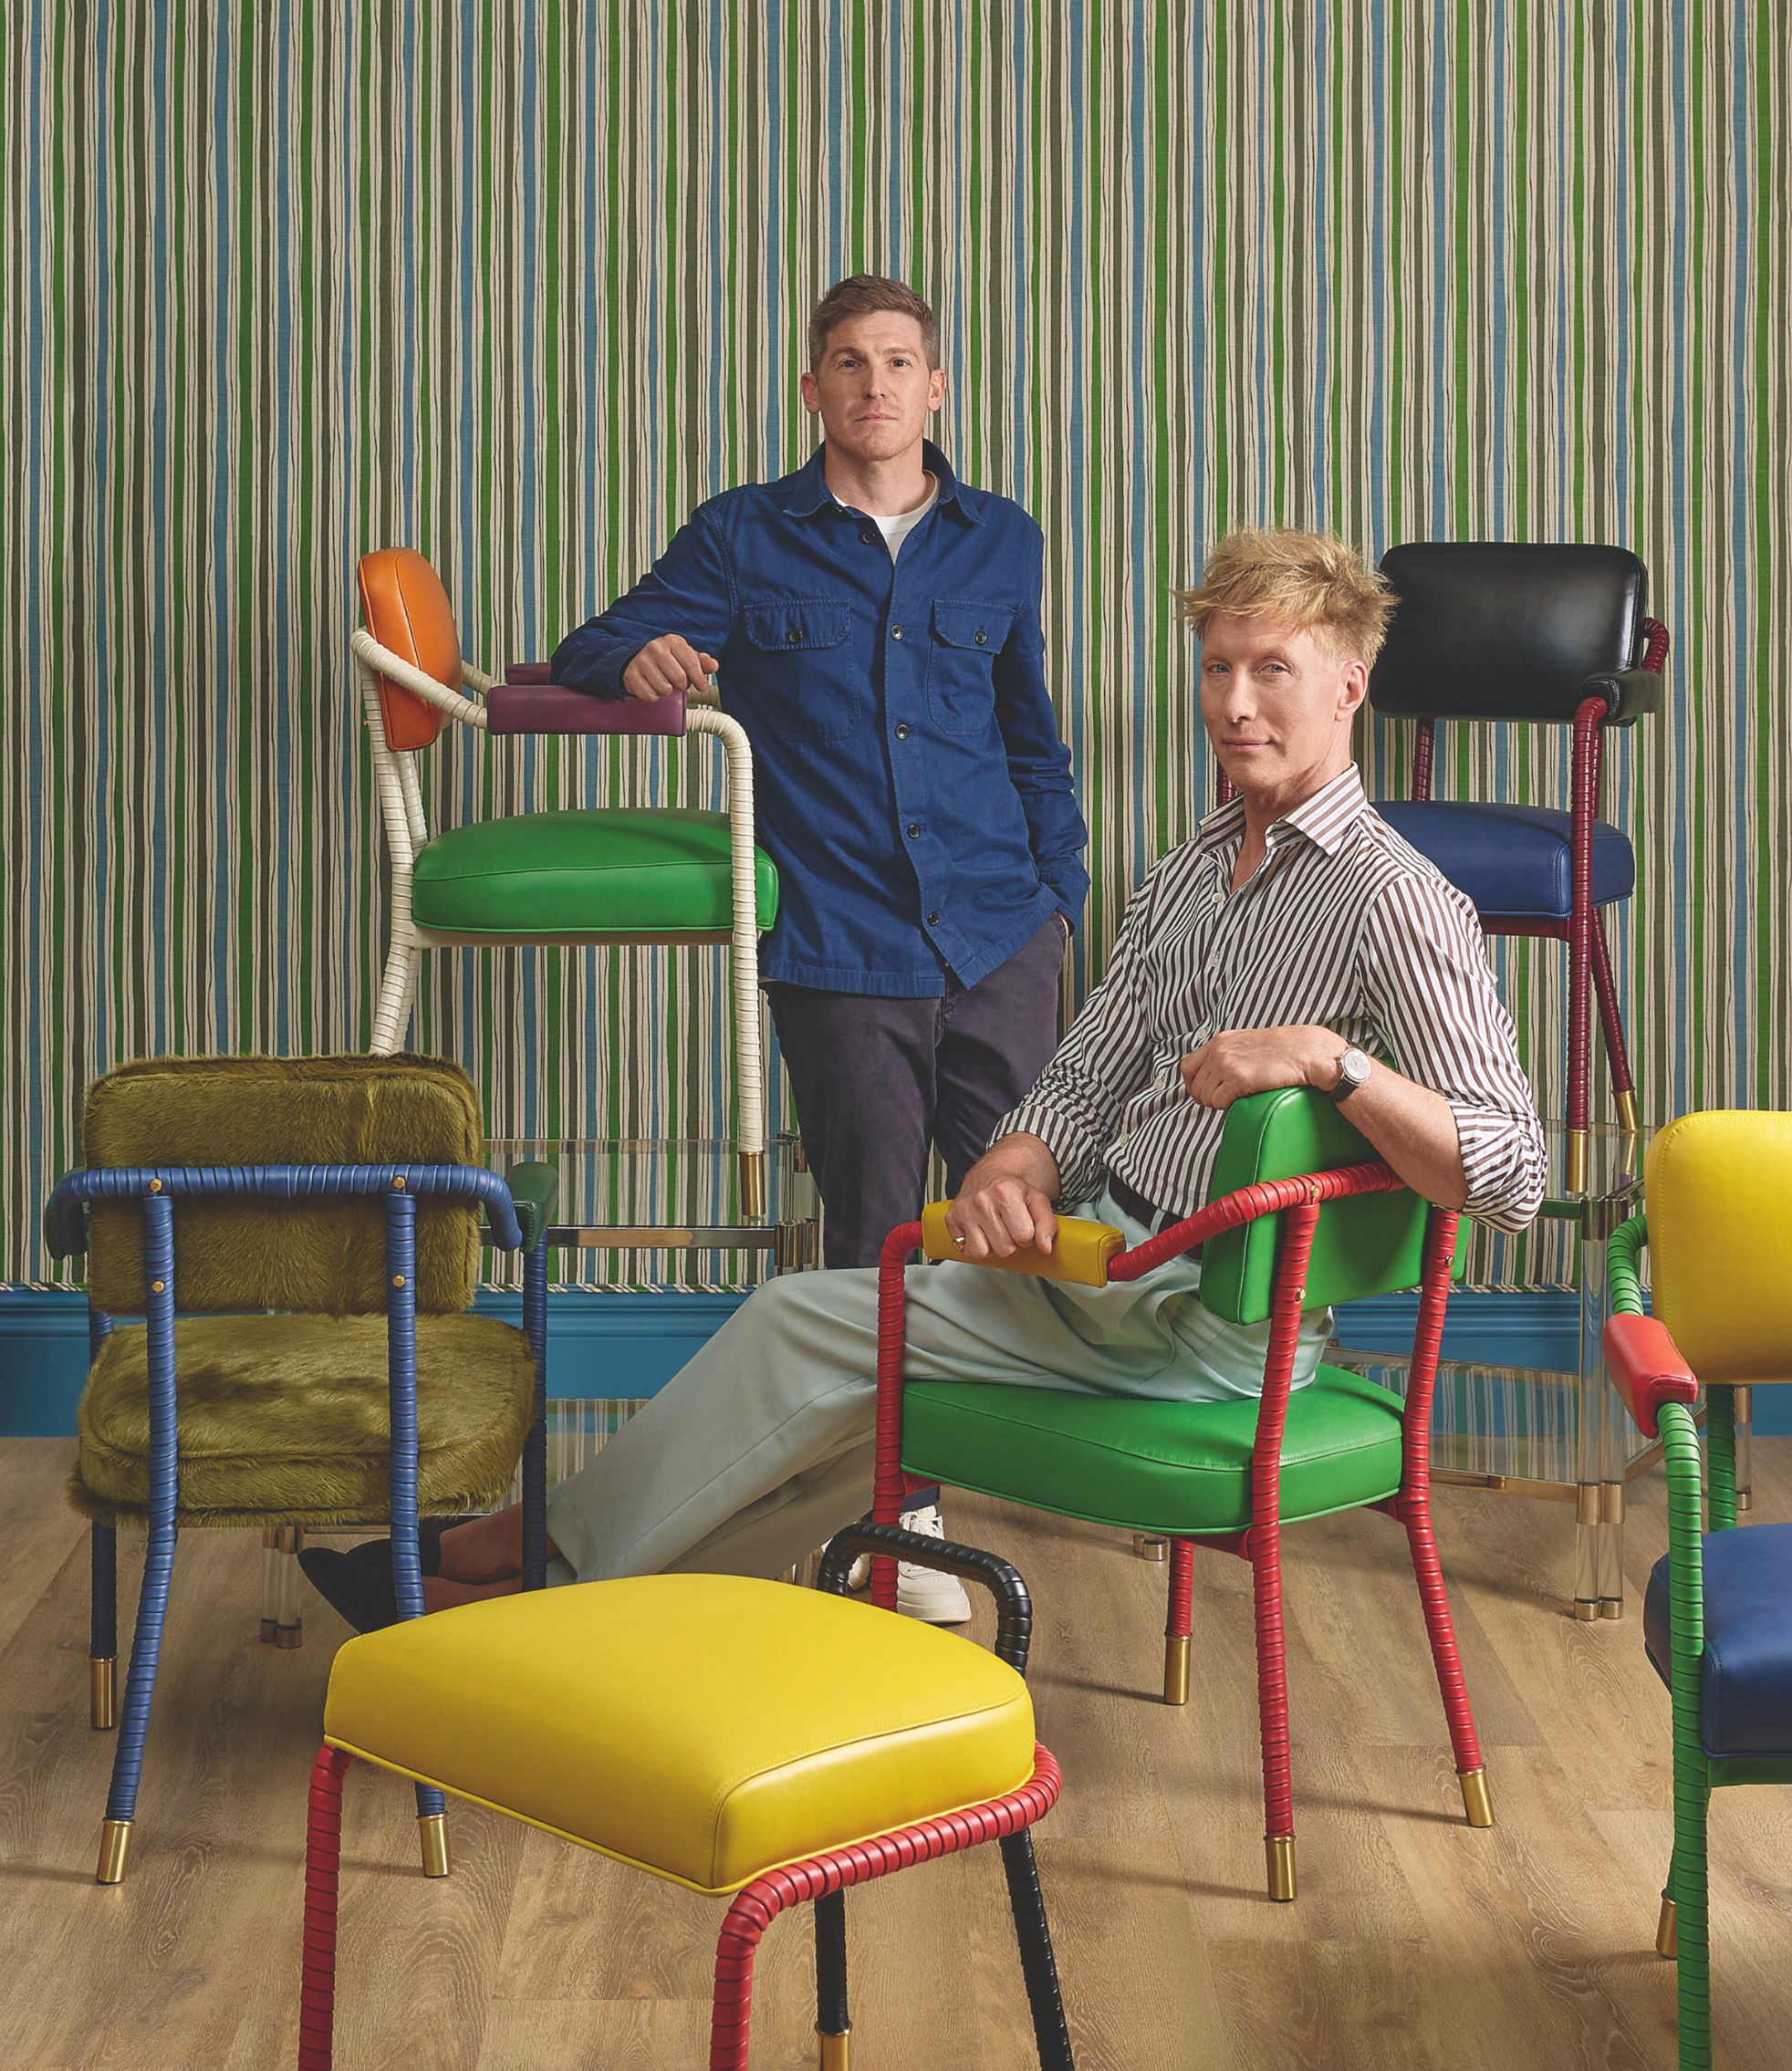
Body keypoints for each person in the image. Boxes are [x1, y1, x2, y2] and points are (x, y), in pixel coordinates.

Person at [303, 528, 1547, 1633]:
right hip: (1100, 1263)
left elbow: (1513, 1174)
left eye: (1271, 669)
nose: (1234, 702)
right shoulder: (1190, 866)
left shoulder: (1398, 899)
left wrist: (1332, 1060)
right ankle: (558, 1609)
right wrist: (1017, 1160)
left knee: (802, 1320)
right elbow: (1091, 1065)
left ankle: (519, 1561)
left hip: (1208, 1323)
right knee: (847, 1417)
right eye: (1218, 667)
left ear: (1350, 682)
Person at [547, 274, 1089, 1618]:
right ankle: (902, 1518)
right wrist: (645, 663)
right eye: (848, 363)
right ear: (813, 391)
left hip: (1000, 929)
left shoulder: (1002, 540)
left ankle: (1031, 1460)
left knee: (1028, 1227)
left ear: (937, 385)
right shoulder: (743, 537)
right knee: (870, 1243)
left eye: (900, 361)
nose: (875, 386)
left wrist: (1062, 891)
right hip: (841, 951)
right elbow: (596, 641)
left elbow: (1031, 735)